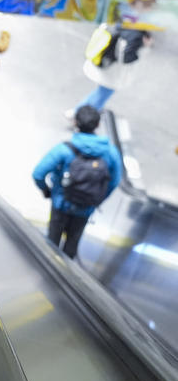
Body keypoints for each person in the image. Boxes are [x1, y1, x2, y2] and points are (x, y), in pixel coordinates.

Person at [32, 105, 122, 259]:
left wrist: (47, 190)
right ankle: (68, 273)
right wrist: (97, 199)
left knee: (52, 241)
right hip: (85, 208)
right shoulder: (110, 152)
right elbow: (115, 181)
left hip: (61, 204)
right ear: (98, 125)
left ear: (75, 123)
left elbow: (38, 174)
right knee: (72, 243)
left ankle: (48, 267)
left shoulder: (64, 149)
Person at [66, 22, 152, 119]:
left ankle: (81, 113)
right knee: (102, 94)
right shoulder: (135, 35)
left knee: (102, 93)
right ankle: (78, 114)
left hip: (107, 65)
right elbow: (126, 58)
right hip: (113, 72)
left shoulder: (124, 24)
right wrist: (145, 48)